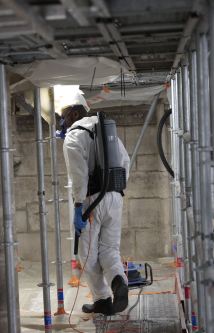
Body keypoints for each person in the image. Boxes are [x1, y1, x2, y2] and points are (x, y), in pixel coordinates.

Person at [57, 91, 130, 316]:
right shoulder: (107, 130)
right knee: (109, 249)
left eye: (65, 117)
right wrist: (114, 192)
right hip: (115, 198)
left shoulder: (74, 137)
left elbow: (78, 177)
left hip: (91, 201)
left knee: (87, 253)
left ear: (75, 112)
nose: (63, 123)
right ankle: (119, 283)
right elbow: (125, 161)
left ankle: (102, 300)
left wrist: (79, 208)